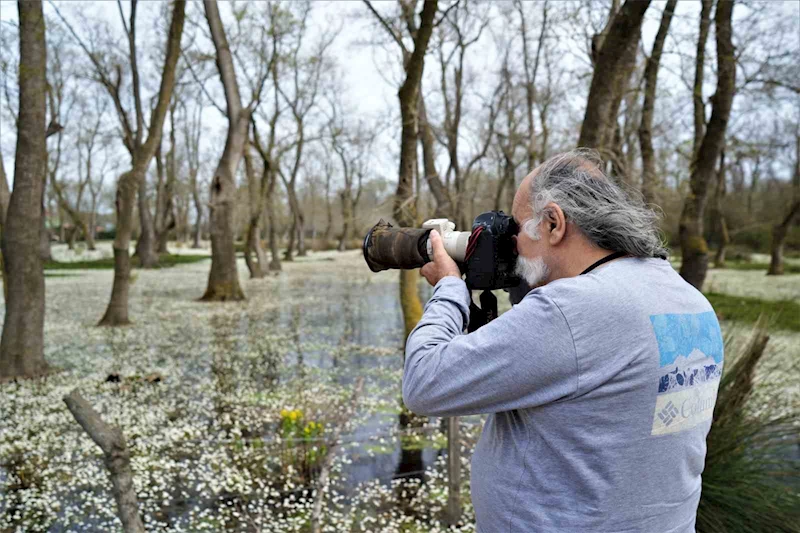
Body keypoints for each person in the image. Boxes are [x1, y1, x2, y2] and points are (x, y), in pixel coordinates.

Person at [403, 149, 724, 533]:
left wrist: (450, 289)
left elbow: (424, 383)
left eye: (518, 229)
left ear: (554, 223)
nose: (513, 246)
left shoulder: (573, 310)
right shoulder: (687, 298)